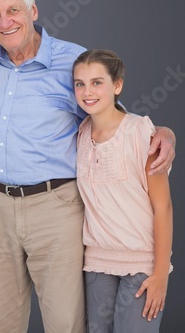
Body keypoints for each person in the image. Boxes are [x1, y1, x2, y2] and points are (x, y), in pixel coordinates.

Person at [0, 0, 176, 333]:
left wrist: (163, 131)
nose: (5, 22)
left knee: (65, 322)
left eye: (13, 10)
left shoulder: (71, 60)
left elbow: (113, 116)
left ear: (33, 10)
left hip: (55, 206)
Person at [72, 50, 173, 332]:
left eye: (97, 82)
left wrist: (161, 273)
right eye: (79, 83)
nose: (87, 91)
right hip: (96, 262)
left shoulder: (142, 133)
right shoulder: (80, 134)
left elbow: (163, 207)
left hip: (141, 264)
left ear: (117, 86)